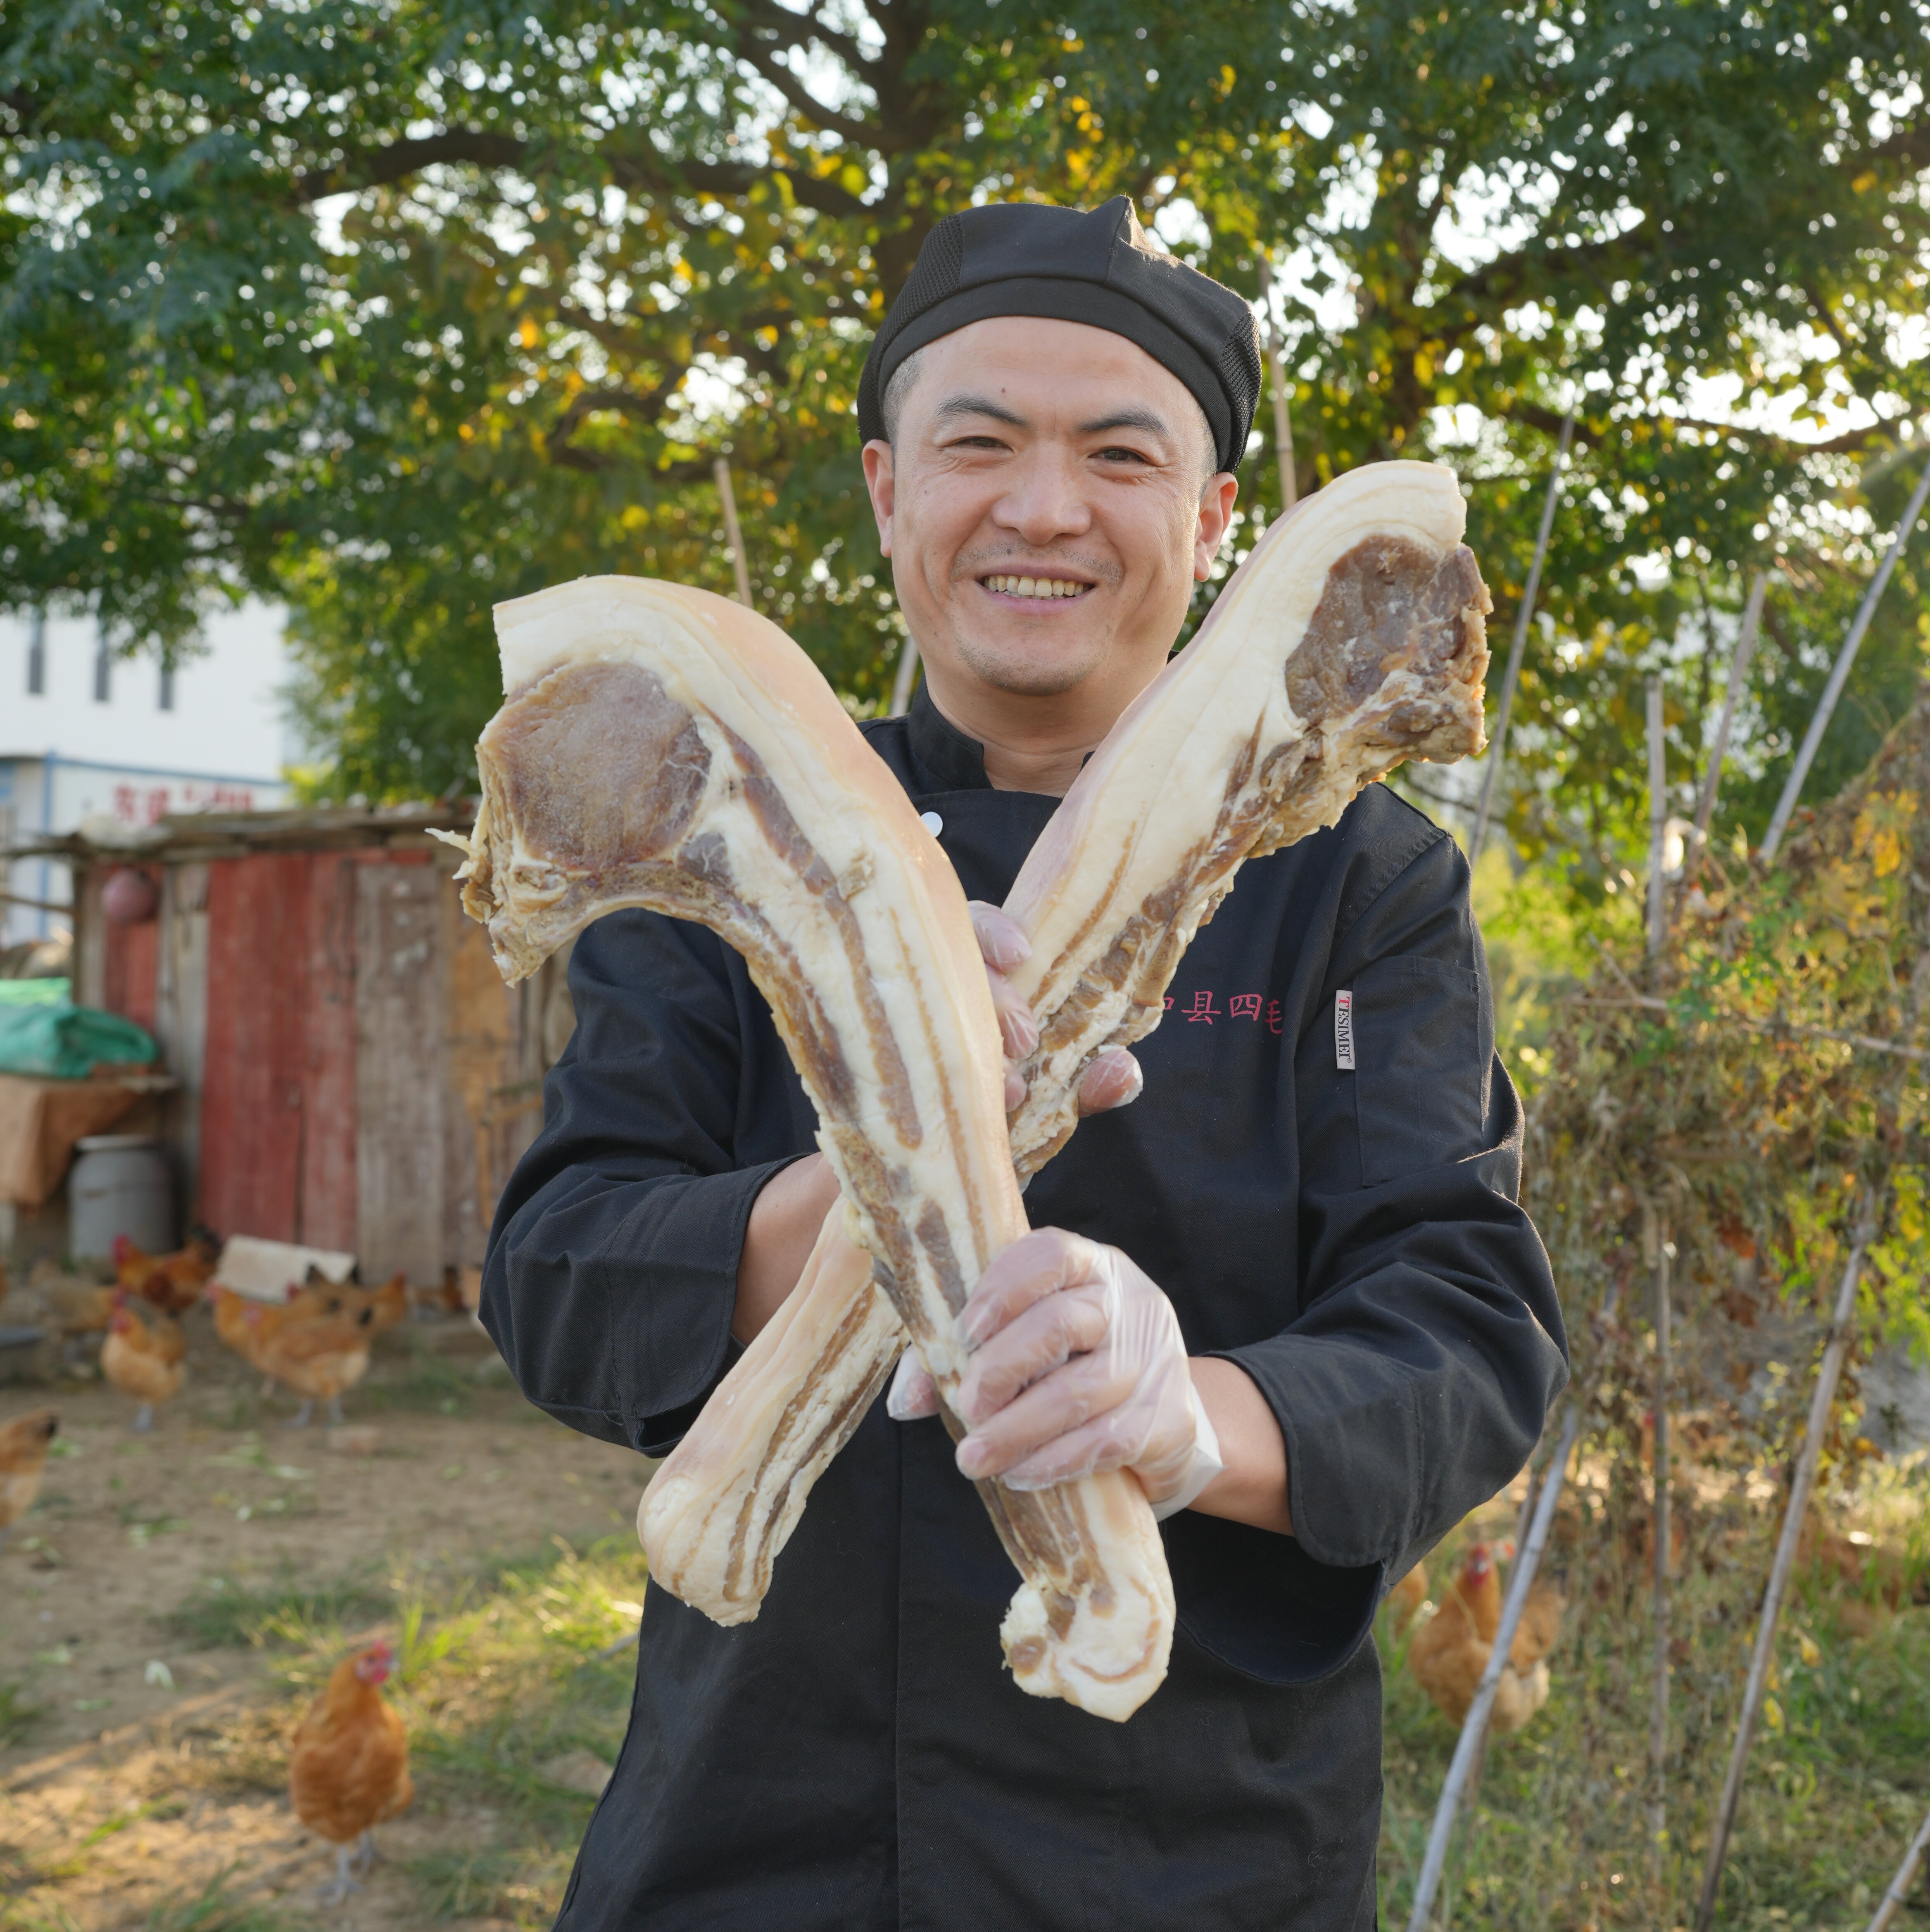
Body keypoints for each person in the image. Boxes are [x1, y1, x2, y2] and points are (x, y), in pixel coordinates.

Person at [485, 195, 1567, 1931]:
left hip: (1194, 1834)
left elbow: (1463, 1332)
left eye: (1119, 456)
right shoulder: (719, 836)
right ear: (884, 490)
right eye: (977, 443)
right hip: (753, 1827)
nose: (1042, 507)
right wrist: (882, 1130)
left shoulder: (1360, 882)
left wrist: (1183, 1416)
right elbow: (554, 1274)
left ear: (1214, 519)